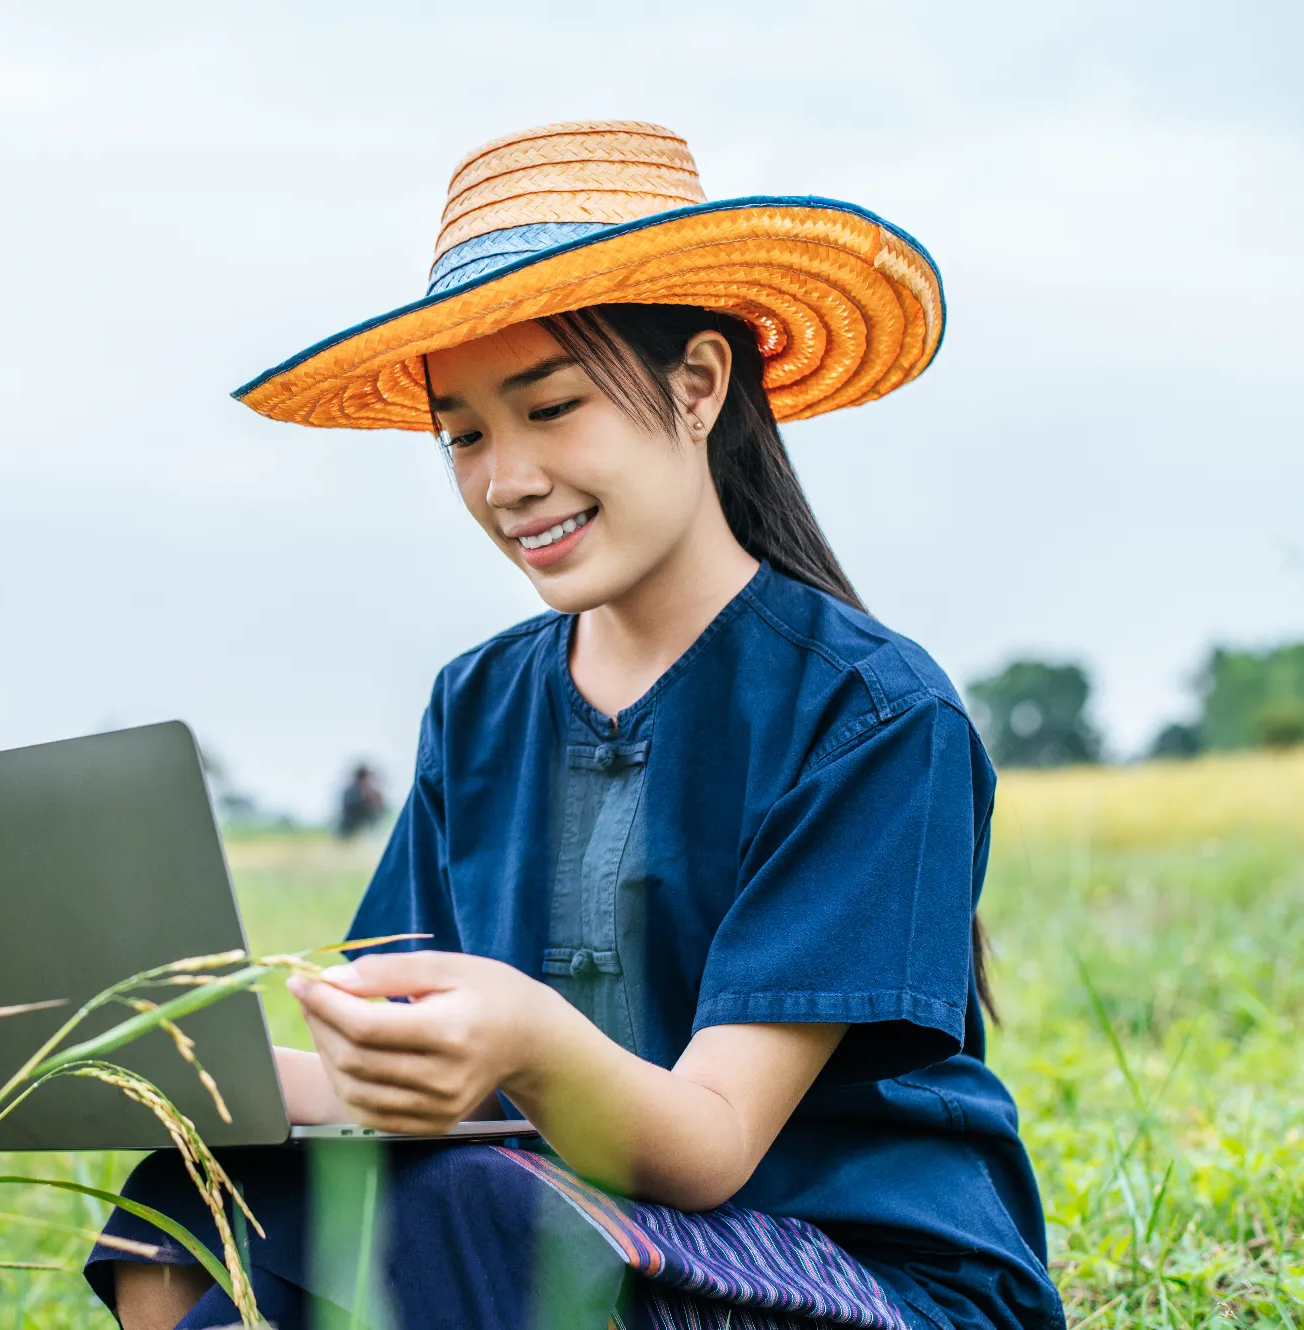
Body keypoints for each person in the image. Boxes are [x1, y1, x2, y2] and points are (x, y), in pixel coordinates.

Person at [89, 120, 1064, 1330]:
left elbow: (708, 1144)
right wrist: (150, 1068)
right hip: (578, 1223)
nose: (504, 479)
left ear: (698, 384)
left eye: (549, 407)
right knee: (193, 1187)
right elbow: (389, 1075)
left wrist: (524, 1041)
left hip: (851, 1276)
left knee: (464, 1206)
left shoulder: (869, 714)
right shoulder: (477, 702)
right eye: (464, 435)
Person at [334, 762, 387, 839]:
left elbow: (380, 807)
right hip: (349, 827)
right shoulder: (350, 792)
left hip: (366, 828)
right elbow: (350, 809)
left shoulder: (371, 792)